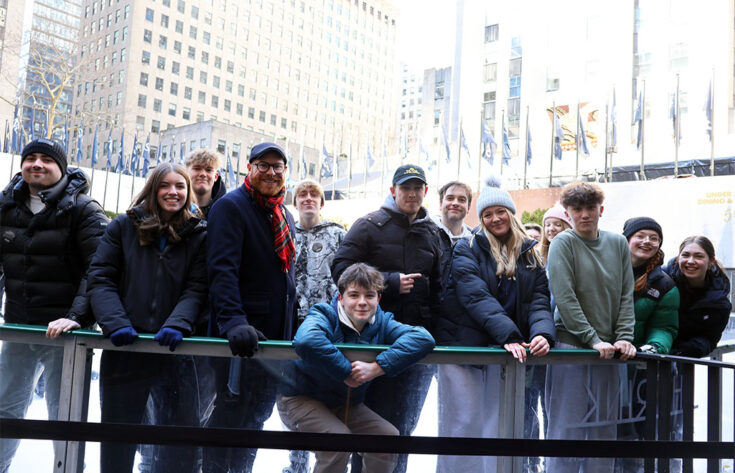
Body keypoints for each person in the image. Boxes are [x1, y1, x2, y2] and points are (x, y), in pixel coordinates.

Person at [87, 163, 207, 473]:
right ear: (153, 190)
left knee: (178, 440)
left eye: (180, 186)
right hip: (126, 347)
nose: (173, 192)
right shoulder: (123, 227)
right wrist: (115, 322)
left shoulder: (198, 234)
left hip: (174, 350)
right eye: (165, 186)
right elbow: (101, 278)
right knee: (118, 437)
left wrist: (178, 323)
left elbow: (197, 288)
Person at [0, 138, 108, 473]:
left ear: (60, 168)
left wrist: (76, 316)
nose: (36, 164)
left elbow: (101, 269)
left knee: (65, 415)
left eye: (46, 159)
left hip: (66, 335)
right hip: (19, 327)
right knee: (5, 409)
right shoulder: (6, 206)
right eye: (29, 158)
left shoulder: (83, 209)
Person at [435, 177, 555, 473]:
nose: (494, 219)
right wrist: (510, 335)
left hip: (503, 351)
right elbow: (475, 296)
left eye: (500, 211)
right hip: (465, 348)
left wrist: (542, 334)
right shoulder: (468, 248)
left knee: (497, 424)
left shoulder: (529, 254)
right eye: (487, 214)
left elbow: (539, 301)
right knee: (462, 423)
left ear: (511, 214)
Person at [331, 164, 441, 473]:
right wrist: (389, 282)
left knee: (403, 429)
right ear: (393, 191)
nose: (412, 193)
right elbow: (340, 269)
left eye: (417, 188)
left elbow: (441, 289)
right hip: (371, 343)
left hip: (413, 348)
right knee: (368, 426)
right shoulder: (368, 225)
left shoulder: (432, 231)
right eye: (405, 188)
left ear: (425, 192)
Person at [278, 263, 435, 473]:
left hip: (344, 403)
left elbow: (423, 338)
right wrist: (346, 372)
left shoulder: (382, 321)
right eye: (354, 295)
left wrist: (377, 367)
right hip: (299, 397)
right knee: (337, 442)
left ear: (378, 299)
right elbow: (306, 340)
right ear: (341, 297)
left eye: (369, 295)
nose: (362, 302)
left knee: (386, 438)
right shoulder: (324, 314)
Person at [204, 142, 297, 473]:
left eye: (278, 167)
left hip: (275, 337)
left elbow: (285, 278)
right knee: (231, 413)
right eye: (264, 165)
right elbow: (221, 270)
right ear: (249, 168)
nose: (271, 172)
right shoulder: (231, 206)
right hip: (242, 337)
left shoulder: (282, 212)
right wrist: (232, 322)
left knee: (256, 415)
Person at [545, 181, 636, 473]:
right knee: (565, 427)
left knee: (604, 429)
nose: (584, 214)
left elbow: (625, 294)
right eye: (577, 209)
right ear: (568, 214)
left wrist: (624, 338)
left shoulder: (618, 243)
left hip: (609, 350)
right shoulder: (563, 242)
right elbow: (564, 296)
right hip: (571, 345)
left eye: (590, 208)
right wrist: (592, 338)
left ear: (601, 210)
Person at [284, 178, 347, 473]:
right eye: (302, 195)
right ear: (295, 202)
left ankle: (328, 455)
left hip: (326, 325)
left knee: (324, 389)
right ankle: (296, 461)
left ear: (321, 203)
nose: (308, 198)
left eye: (314, 195)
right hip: (290, 323)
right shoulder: (285, 232)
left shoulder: (337, 232)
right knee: (294, 391)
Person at [617, 217, 680, 473]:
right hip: (599, 359)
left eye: (653, 238)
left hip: (636, 368)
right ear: (627, 239)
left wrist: (654, 346)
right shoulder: (606, 269)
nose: (647, 242)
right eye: (641, 235)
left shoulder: (662, 283)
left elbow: (664, 326)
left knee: (635, 426)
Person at [663, 235, 731, 358]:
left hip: (680, 360)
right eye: (685, 255)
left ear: (711, 261)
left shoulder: (719, 301)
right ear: (678, 258)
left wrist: (682, 350)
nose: (690, 261)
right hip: (647, 351)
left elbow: (709, 339)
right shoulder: (661, 280)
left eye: (698, 256)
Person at [432, 181, 474, 291]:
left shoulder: (474, 243)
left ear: (468, 207)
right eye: (450, 198)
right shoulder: (426, 235)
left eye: (462, 200)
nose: (455, 203)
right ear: (441, 204)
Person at [185, 148, 226, 218]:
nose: (203, 174)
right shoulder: (174, 209)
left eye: (208, 170)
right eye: (197, 168)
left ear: (216, 177)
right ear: (186, 173)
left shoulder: (226, 211)